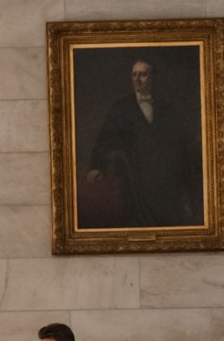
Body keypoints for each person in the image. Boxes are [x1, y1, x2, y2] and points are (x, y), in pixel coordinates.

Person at [86, 51, 203, 228]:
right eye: (134, 74)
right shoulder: (121, 108)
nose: (137, 79)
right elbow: (105, 139)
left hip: (165, 181)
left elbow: (182, 144)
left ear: (152, 77)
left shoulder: (166, 109)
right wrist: (96, 166)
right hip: (135, 179)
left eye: (143, 74)